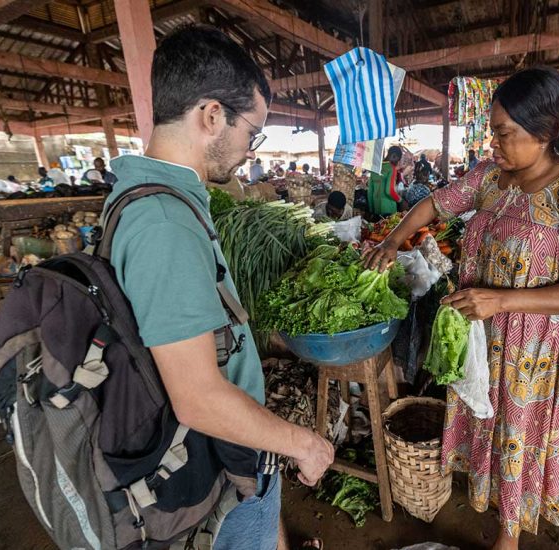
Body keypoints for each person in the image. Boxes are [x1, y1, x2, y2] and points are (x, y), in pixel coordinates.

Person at [364, 66, 559, 550]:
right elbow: (436, 206)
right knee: (487, 427)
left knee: (517, 437)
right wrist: (393, 241)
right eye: (494, 133)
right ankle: (494, 514)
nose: (496, 144)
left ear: (547, 130)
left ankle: (508, 538)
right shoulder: (491, 178)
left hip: (537, 356)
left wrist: (502, 299)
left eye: (506, 134)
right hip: (485, 341)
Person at [104, 25, 333, 550]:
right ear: (211, 116)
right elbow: (198, 398)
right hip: (208, 463)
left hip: (221, 455)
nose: (251, 150)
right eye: (252, 132)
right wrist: (303, 444)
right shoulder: (164, 222)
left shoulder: (150, 197)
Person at [367, 145, 404, 217]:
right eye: (398, 160)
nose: (397, 162)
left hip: (376, 207)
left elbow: (370, 192)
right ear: (394, 156)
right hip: (388, 208)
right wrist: (400, 201)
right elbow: (389, 191)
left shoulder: (375, 168)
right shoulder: (391, 168)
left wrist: (371, 209)